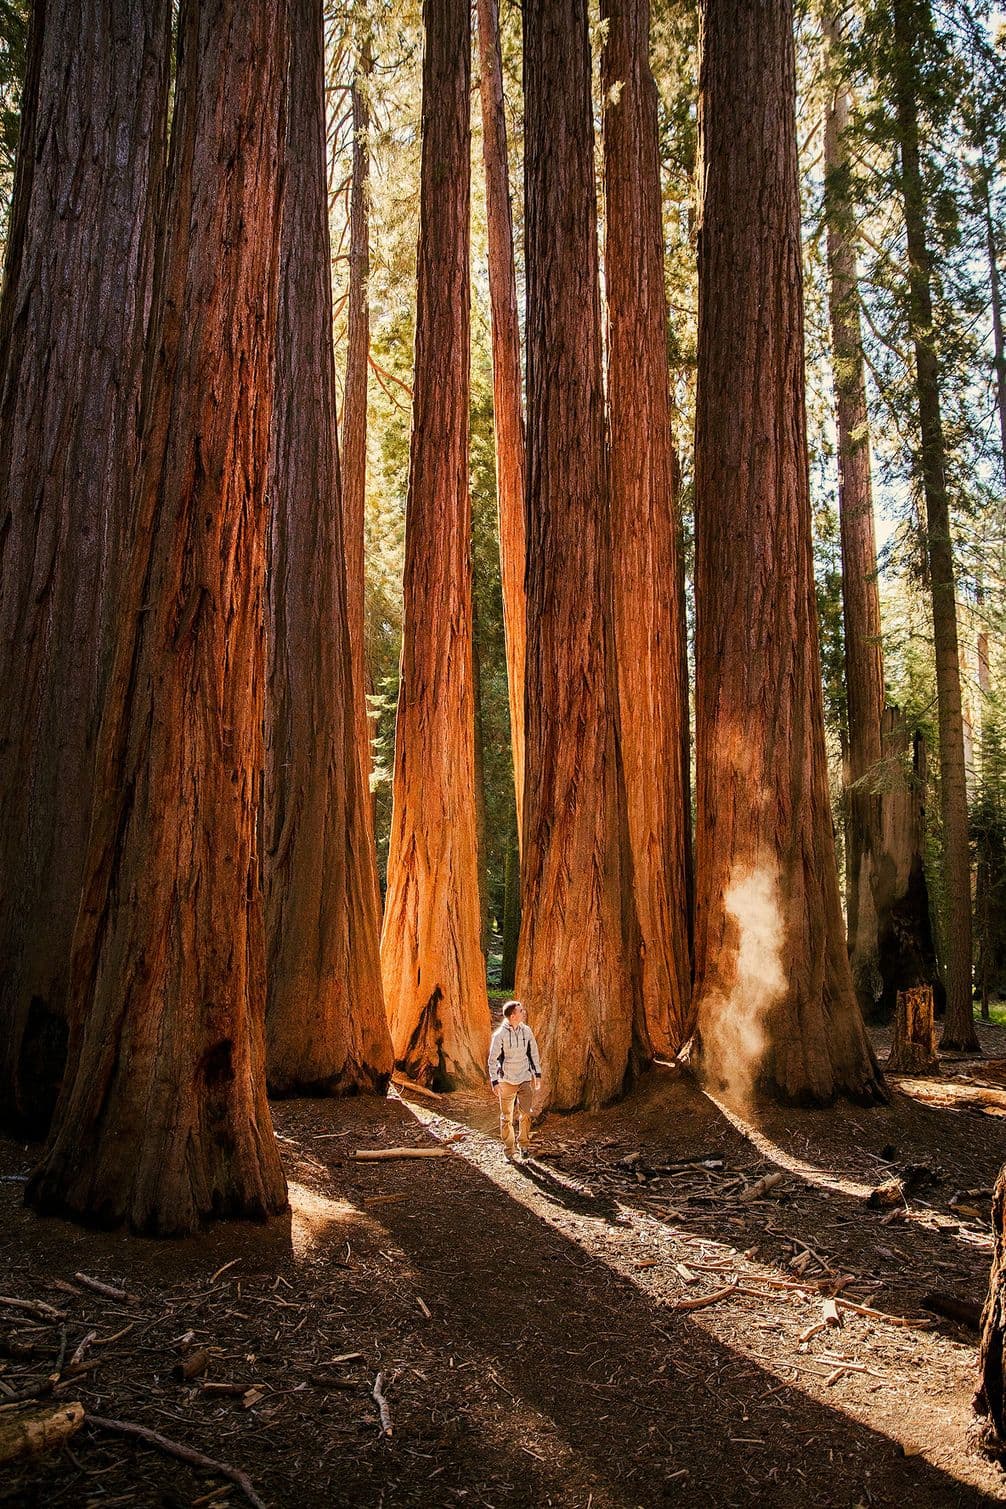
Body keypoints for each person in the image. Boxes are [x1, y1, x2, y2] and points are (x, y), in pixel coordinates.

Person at [487, 1000, 542, 1162]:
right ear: (513, 1016)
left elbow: (533, 1053)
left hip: (524, 1078)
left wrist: (537, 1074)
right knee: (507, 1117)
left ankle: (523, 1145)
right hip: (506, 1080)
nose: (523, 1012)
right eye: (521, 1011)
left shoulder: (527, 1031)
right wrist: (495, 1081)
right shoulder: (499, 1035)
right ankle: (509, 1150)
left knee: (526, 1113)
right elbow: (492, 1059)